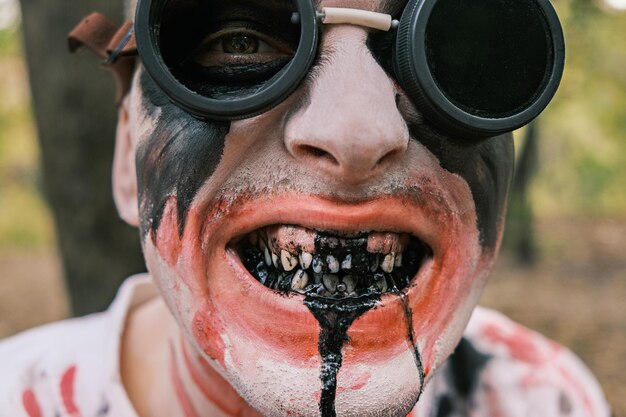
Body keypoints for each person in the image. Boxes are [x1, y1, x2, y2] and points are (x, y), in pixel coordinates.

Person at [0, 0, 611, 416]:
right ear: (126, 154)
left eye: (449, 47)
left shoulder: (543, 399)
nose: (357, 134)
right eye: (237, 42)